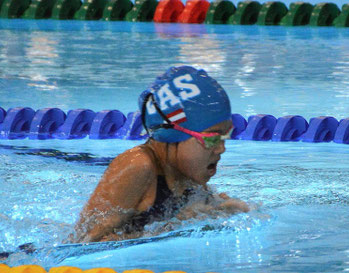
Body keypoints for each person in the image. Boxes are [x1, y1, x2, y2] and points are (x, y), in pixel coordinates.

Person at [73, 66, 249, 242]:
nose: (221, 148)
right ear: (174, 132)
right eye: (212, 138)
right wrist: (175, 227)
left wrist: (220, 209)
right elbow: (83, 243)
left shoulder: (188, 173)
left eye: (226, 135)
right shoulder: (138, 166)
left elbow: (200, 212)